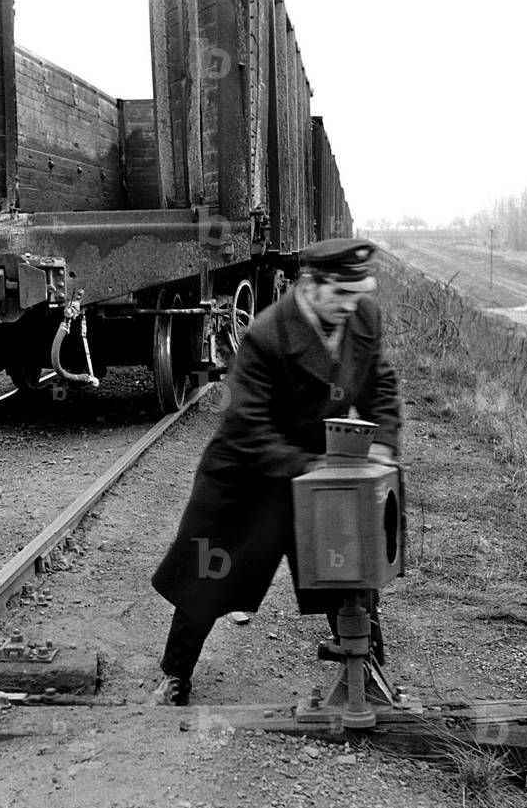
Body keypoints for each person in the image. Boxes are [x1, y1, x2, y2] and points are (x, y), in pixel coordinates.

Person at [150, 238, 402, 705]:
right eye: (341, 294)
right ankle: (175, 674)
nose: (352, 304)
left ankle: (367, 677)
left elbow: (380, 383)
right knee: (207, 574)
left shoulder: (361, 317)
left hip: (318, 470)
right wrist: (314, 468)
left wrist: (383, 443)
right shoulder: (267, 334)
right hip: (248, 476)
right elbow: (247, 425)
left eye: (357, 293)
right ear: (310, 285)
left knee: (350, 570)